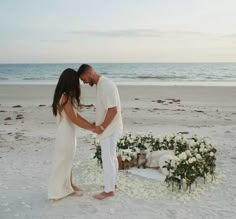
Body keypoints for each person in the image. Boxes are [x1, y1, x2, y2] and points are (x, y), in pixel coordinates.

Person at [77, 64, 123, 200]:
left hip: (110, 129)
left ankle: (109, 191)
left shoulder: (106, 85)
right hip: (110, 128)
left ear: (90, 72)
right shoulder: (101, 85)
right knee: (111, 157)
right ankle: (112, 185)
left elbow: (113, 110)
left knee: (107, 158)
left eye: (83, 78)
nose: (83, 82)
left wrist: (101, 127)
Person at [48, 68, 94, 201]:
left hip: (68, 132)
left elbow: (76, 116)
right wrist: (91, 128)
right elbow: (74, 119)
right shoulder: (66, 97)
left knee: (67, 160)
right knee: (62, 161)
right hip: (65, 134)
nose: (78, 83)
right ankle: (55, 192)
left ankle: (69, 185)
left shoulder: (64, 95)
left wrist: (90, 124)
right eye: (76, 81)